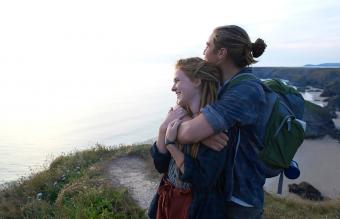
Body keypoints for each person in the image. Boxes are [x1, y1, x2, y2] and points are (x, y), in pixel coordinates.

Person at [172, 25, 268, 219]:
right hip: (221, 190)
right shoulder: (223, 85)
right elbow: (192, 120)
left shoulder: (245, 91)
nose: (204, 51)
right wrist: (202, 134)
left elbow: (190, 133)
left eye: (208, 46)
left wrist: (172, 132)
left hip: (241, 197)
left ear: (221, 53)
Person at [148, 57, 228, 219]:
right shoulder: (178, 115)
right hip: (167, 201)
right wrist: (163, 129)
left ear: (197, 81)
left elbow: (202, 181)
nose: (172, 88)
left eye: (177, 80)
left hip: (195, 209)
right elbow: (160, 165)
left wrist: (171, 145)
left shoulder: (214, 127)